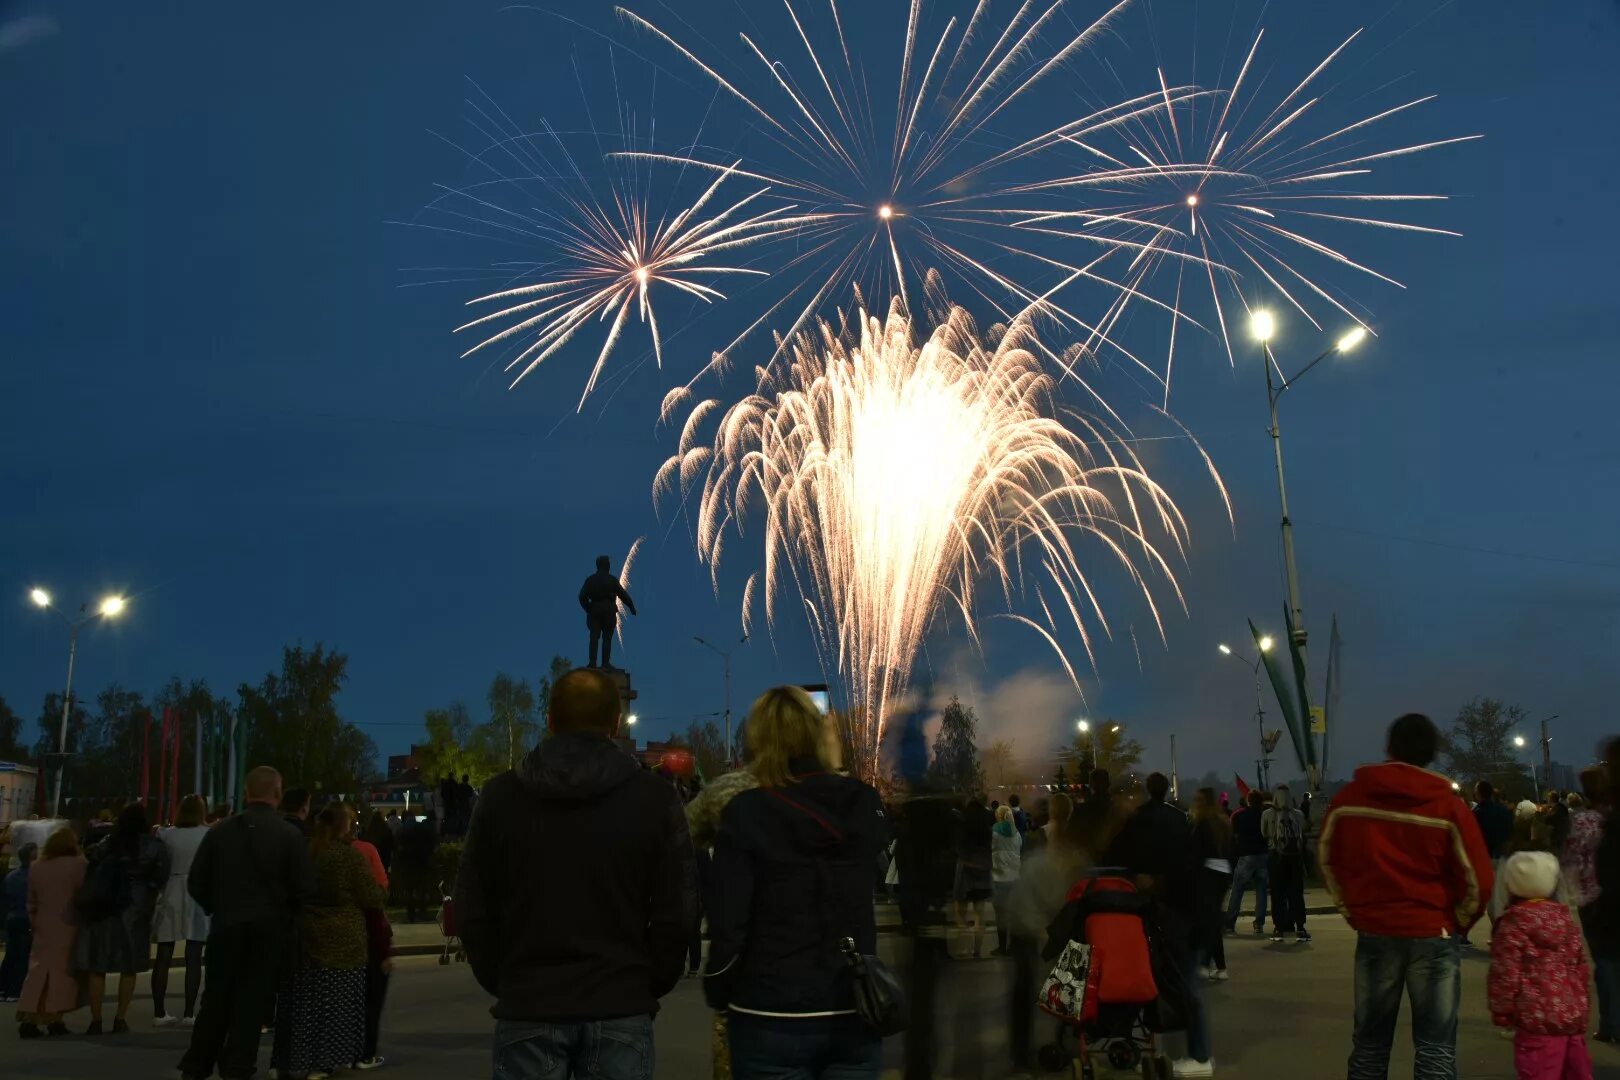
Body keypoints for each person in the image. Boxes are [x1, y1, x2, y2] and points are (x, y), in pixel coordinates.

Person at [457, 667, 694, 1080]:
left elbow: (473, 904)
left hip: (529, 1002)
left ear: (549, 719)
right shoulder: (655, 798)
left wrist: (507, 981)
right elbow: (680, 905)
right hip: (621, 1001)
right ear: (616, 724)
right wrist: (645, 983)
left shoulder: (500, 797)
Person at [704, 686, 888, 1080]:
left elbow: (729, 921)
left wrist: (720, 988)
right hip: (852, 1003)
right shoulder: (862, 803)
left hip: (770, 1007)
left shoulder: (746, 813)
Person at [1319, 713, 1494, 1080]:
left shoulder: (1351, 799)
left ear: (1389, 747)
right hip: (1433, 934)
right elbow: (1479, 878)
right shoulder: (1448, 806)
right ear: (1432, 753)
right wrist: (1457, 922)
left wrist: (1353, 910)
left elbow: (1329, 857)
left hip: (1376, 932)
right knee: (1435, 1050)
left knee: (1369, 1046)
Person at [179, 765, 315, 1080]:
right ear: (278, 793)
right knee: (251, 1006)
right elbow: (305, 888)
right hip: (269, 932)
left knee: (215, 1002)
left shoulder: (220, 832)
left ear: (246, 793)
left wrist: (220, 907)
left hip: (226, 928)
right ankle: (238, 1067)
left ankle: (197, 1065)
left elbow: (197, 882)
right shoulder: (289, 836)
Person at [270, 802, 386, 1079]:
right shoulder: (348, 857)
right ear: (343, 825)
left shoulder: (306, 852)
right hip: (341, 940)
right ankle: (322, 1063)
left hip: (304, 937)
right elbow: (373, 896)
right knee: (334, 1006)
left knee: (299, 1004)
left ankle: (283, 1061)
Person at [1111, 772, 1209, 1077]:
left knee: (1144, 974)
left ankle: (1171, 1046)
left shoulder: (1137, 820)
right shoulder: (1180, 821)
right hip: (1179, 906)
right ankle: (1196, 1051)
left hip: (1144, 907)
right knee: (1183, 982)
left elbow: (1118, 855)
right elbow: (1191, 863)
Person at [1487, 851, 1594, 1080]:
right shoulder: (1564, 920)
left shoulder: (1513, 922)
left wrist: (1502, 1010)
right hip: (1571, 1015)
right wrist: (1582, 1004)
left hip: (1535, 1018)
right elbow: (1580, 967)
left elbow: (1506, 972)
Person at [75, 801, 170, 1034]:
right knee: (129, 967)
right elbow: (161, 875)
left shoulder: (109, 843)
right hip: (136, 909)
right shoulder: (154, 846)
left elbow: (91, 859)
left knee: (98, 966)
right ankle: (120, 1018)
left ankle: (96, 1020)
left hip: (104, 907)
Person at [17, 828, 86, 1037]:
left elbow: (31, 899)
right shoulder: (79, 865)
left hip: (43, 924)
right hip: (69, 923)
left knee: (38, 970)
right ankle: (55, 1018)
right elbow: (84, 894)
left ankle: (29, 1016)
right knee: (63, 974)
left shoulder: (37, 867)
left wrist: (34, 920)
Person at [1564, 767, 1614, 1042]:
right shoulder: (1612, 818)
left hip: (1591, 897)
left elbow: (1572, 859)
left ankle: (1610, 1023)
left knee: (1604, 960)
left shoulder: (1582, 821)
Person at [154, 794, 212, 1026]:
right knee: (194, 956)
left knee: (163, 955)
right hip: (197, 891)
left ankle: (159, 1012)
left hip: (171, 890)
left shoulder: (166, 834)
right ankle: (189, 1012)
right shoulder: (207, 834)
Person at [347, 800, 394, 1071]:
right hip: (366, 931)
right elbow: (379, 890)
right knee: (372, 999)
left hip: (333, 937)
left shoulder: (320, 851)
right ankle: (365, 1052)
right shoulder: (364, 851)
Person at [1190, 788, 1232, 981]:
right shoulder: (1221, 823)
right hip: (1223, 872)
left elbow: (1196, 854)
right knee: (1212, 920)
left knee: (1209, 922)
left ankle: (1206, 964)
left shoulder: (1201, 824)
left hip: (1207, 874)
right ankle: (1219, 966)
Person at [1261, 784, 1310, 943]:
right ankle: (1300, 927)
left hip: (1276, 856)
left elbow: (1264, 833)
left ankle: (1279, 928)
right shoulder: (1298, 814)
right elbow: (1303, 830)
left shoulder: (1267, 814)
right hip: (1294, 857)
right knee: (1296, 892)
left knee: (1277, 893)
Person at [579, 554, 637, 670]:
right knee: (607, 637)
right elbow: (623, 594)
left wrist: (589, 608)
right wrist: (631, 606)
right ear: (607, 566)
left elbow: (582, 597)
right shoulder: (612, 580)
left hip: (594, 609)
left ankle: (592, 663)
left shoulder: (590, 580)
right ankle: (605, 663)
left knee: (594, 637)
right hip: (609, 610)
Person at [953, 794, 995, 959]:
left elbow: (957, 847)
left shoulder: (962, 824)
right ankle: (977, 950)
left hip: (965, 871)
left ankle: (963, 948)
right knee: (980, 914)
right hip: (983, 871)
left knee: (960, 912)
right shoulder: (986, 828)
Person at [1223, 790, 1269, 935]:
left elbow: (1232, 836)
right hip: (1262, 854)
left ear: (1248, 801)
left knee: (1237, 890)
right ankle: (1258, 923)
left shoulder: (1238, 815)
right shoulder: (1264, 814)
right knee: (1261, 890)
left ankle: (1230, 923)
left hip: (1246, 855)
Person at [0, 841, 36, 1003]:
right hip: (25, 919)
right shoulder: (33, 876)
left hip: (12, 919)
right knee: (22, 956)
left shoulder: (11, 876)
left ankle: (3, 988)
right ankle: (15, 990)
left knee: (11, 954)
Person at [990, 804, 1023, 956]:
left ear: (998, 816)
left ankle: (1002, 946)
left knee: (1000, 915)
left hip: (999, 877)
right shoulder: (1017, 835)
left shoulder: (994, 832)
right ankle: (1015, 946)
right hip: (1015, 877)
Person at [362, 809, 395, 874]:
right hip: (384, 859)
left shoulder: (369, 831)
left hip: (372, 859)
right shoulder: (387, 830)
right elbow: (391, 845)